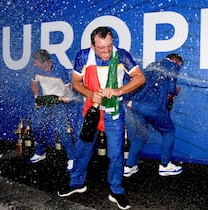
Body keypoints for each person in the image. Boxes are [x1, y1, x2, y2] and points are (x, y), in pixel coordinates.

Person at [57, 27, 145, 210]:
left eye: (109, 46)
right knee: (83, 149)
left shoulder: (121, 55)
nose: (106, 51)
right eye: (101, 47)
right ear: (93, 45)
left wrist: (119, 90)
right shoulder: (83, 56)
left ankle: (116, 190)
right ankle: (77, 183)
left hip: (113, 112)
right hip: (91, 110)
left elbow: (139, 77)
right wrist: (90, 94)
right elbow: (75, 82)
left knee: (116, 154)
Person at [123, 53, 183, 177]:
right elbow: (171, 88)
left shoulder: (152, 65)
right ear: (175, 60)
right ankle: (165, 165)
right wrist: (175, 91)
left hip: (136, 105)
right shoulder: (172, 65)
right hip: (154, 108)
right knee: (169, 132)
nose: (179, 69)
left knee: (140, 137)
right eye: (180, 66)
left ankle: (129, 166)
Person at [29, 49, 76, 171]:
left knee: (61, 129)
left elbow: (68, 89)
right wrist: (36, 98)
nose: (35, 64)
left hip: (60, 103)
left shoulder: (60, 70)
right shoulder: (36, 70)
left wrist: (66, 97)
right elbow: (34, 84)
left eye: (36, 62)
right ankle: (40, 152)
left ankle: (72, 158)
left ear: (45, 62)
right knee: (37, 126)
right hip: (46, 102)